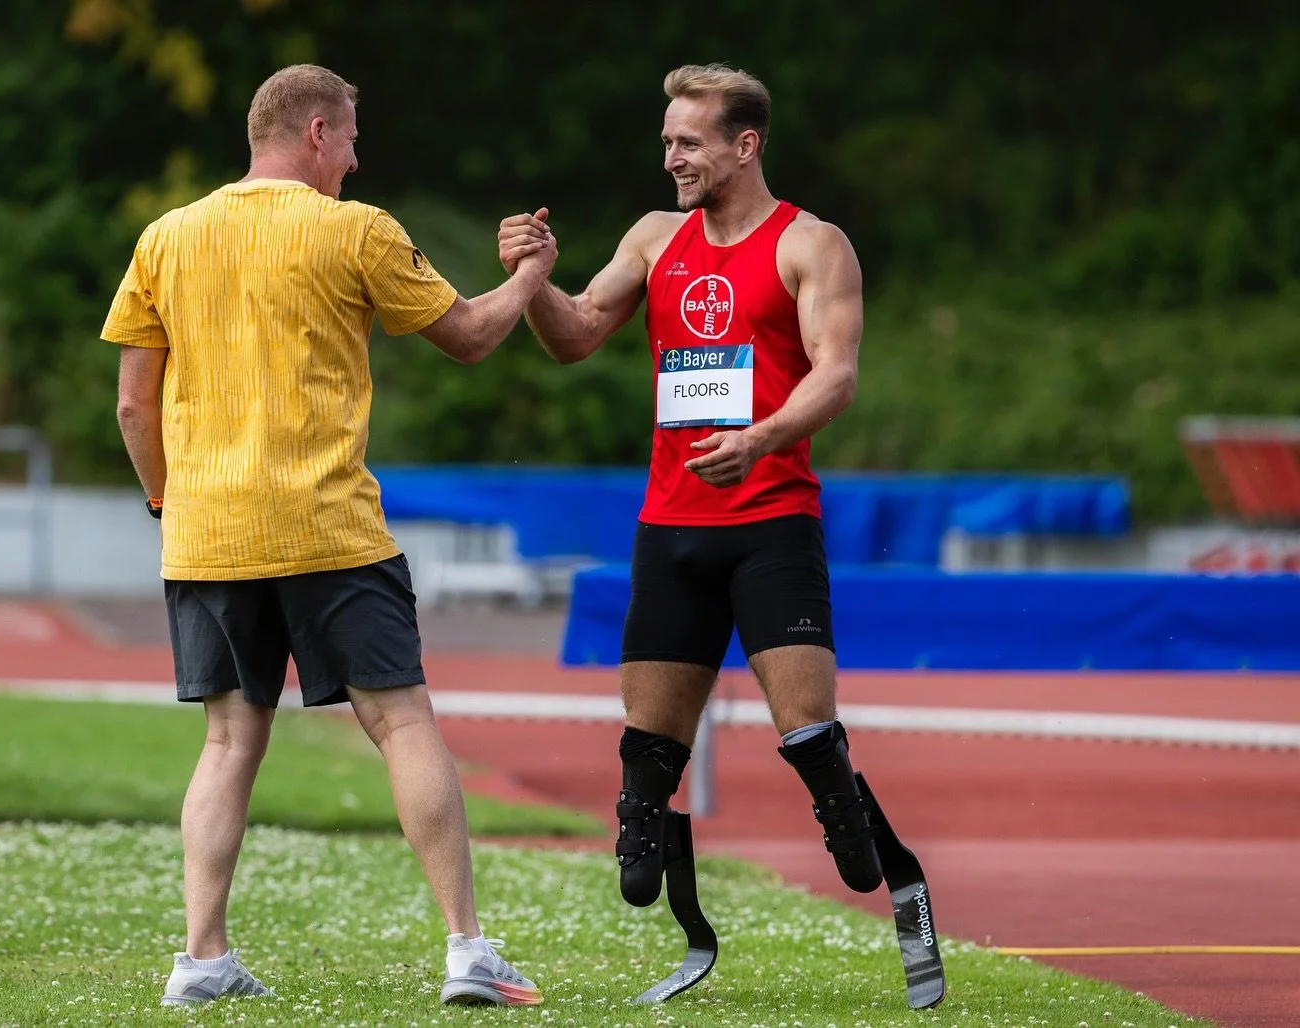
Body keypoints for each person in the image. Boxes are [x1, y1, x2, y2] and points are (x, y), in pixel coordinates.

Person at [102, 63, 551, 1009]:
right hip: (330, 525)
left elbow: (134, 405)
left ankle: (202, 958)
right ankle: (466, 948)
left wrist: (163, 506)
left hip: (209, 535)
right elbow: (468, 336)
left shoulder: (165, 239)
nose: (355, 154)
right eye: (349, 136)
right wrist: (529, 279)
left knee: (229, 742)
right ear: (313, 132)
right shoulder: (355, 229)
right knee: (401, 722)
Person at [498, 64, 894, 909]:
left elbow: (839, 377)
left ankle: (841, 807)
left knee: (808, 734)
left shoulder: (809, 244)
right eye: (667, 141)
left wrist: (760, 439)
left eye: (689, 142)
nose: (671, 158)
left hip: (771, 521)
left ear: (744, 146)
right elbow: (574, 336)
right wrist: (533, 280)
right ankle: (643, 820)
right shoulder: (652, 238)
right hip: (671, 527)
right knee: (649, 749)